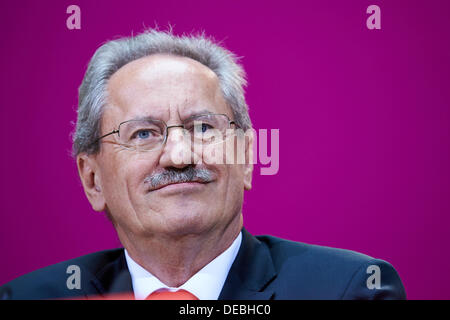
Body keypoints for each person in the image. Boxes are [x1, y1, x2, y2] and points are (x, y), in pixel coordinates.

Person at [0, 29, 406, 300]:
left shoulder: (349, 291)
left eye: (202, 128)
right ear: (93, 180)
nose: (180, 156)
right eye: (143, 134)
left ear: (246, 158)